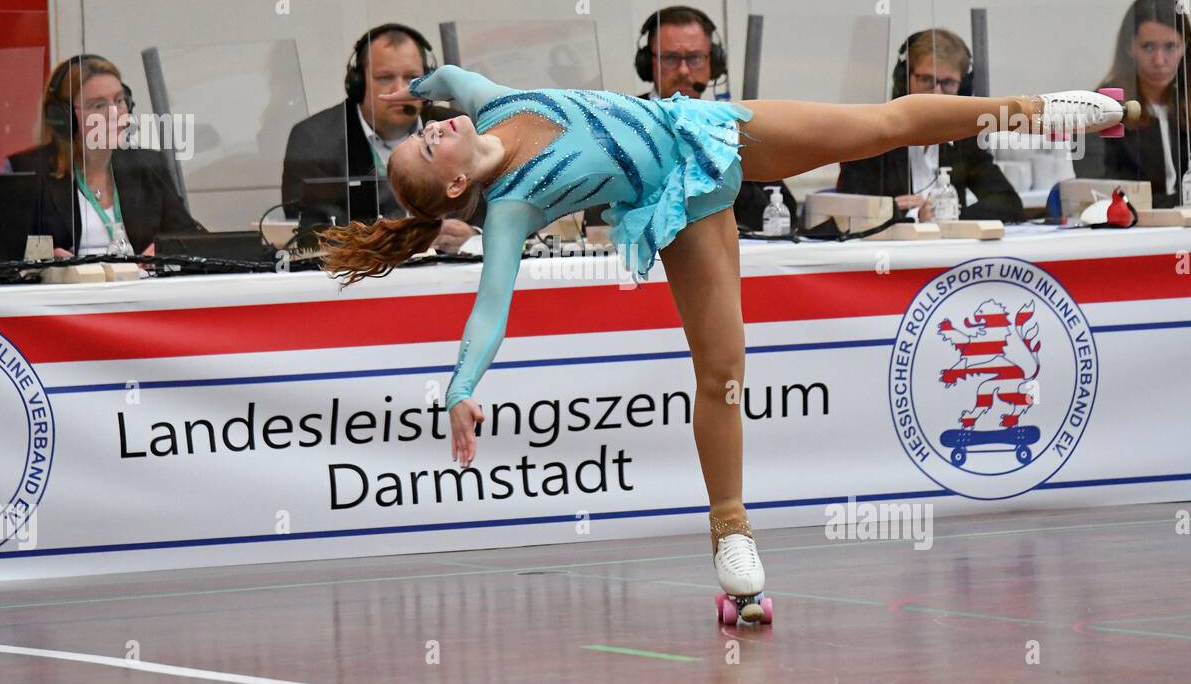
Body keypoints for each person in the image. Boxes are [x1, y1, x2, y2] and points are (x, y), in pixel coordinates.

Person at [319, 64, 1128, 621]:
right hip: (682, 204)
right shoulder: (509, 211)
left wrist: (409, 88)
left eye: (427, 127)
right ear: (455, 183)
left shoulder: (484, 103)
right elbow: (490, 309)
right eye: (431, 140)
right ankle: (731, 532)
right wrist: (463, 388)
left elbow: (440, 81)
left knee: (877, 126)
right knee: (723, 369)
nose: (440, 123)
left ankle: (1042, 108)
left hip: (708, 129)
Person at [585, 6, 798, 234]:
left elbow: (782, 212)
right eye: (670, 58)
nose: (684, 71)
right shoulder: (622, 124)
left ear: (713, 63)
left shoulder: (731, 124)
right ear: (648, 63)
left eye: (695, 58)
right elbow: (599, 215)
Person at [281, 24, 485, 251]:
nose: (401, 90)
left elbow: (492, 207)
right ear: (357, 84)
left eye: (412, 77)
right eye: (385, 78)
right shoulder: (315, 138)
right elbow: (311, 231)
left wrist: (472, 235)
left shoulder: (457, 127)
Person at [7, 54, 204, 257]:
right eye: (98, 105)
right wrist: (43, 258)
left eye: (119, 101)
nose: (115, 113)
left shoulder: (148, 166)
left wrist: (167, 250)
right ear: (64, 118)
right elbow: (5, 249)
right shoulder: (27, 172)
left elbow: (191, 240)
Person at [837, 29, 1023, 222]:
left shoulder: (964, 141)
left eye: (948, 83)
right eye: (926, 80)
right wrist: (910, 215)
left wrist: (947, 217)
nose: (936, 94)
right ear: (904, 81)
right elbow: (844, 215)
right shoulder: (873, 136)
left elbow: (1009, 203)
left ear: (963, 89)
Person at [1080, 0, 1191, 206]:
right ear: (1130, 47)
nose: (1160, 60)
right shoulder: (1099, 109)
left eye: (1171, 47)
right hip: (1131, 235)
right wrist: (1186, 200)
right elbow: (1099, 195)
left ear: (1185, 47)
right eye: (1148, 47)